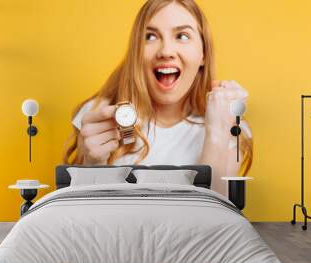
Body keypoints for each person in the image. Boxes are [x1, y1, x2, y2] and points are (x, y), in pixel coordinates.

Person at [63, 0, 253, 196]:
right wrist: (92, 166)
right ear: (136, 51)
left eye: (182, 36)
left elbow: (217, 215)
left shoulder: (229, 124)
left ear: (203, 52)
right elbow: (81, 215)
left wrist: (217, 132)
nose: (166, 52)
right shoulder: (96, 116)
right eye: (151, 36)